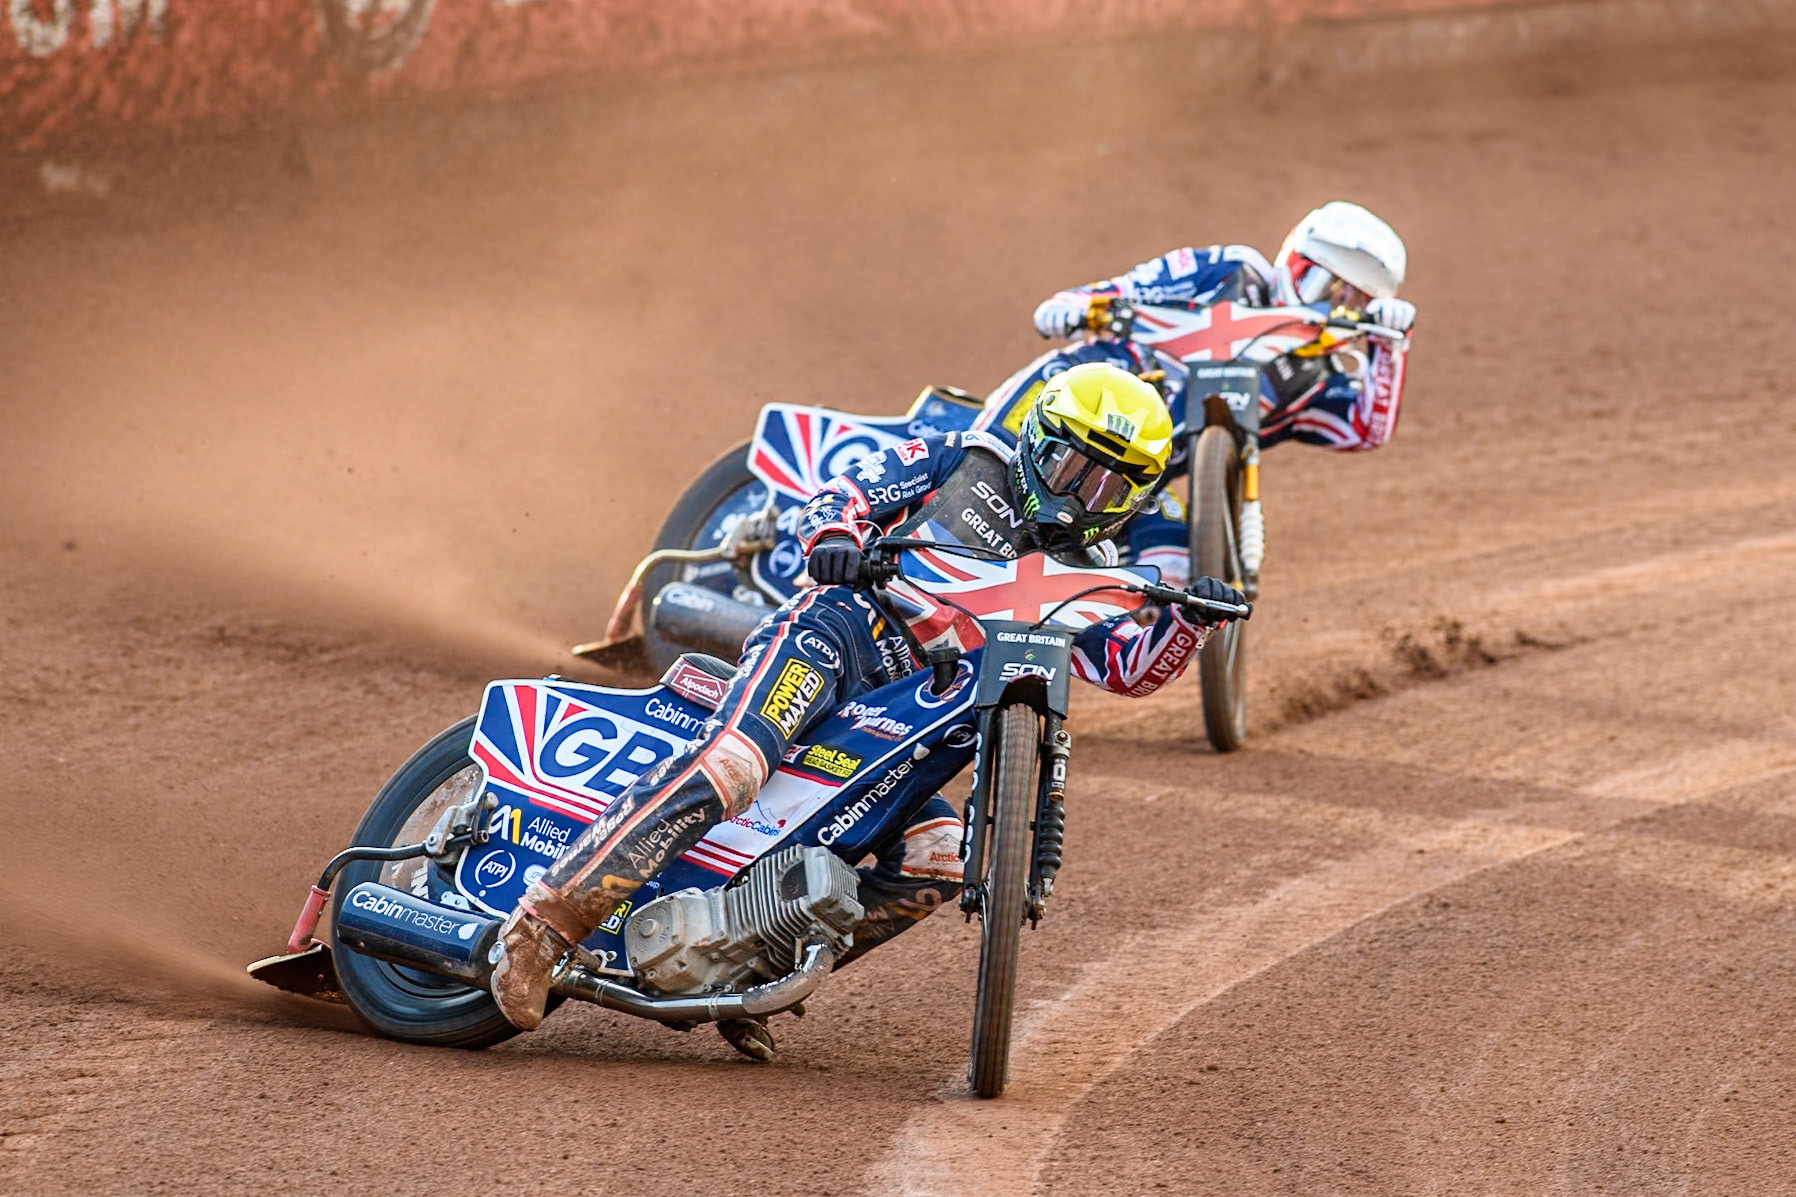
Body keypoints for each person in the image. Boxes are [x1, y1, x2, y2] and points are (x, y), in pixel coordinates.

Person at [487, 363, 1246, 1050]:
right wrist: (837, 538)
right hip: (838, 637)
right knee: (736, 763)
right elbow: (842, 494)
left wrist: (1190, 620)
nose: (1085, 495)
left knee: (940, 855)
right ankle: (545, 925)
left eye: (1112, 486)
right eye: (1073, 465)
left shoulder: (1095, 574)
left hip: (907, 715)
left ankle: (744, 970)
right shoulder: (965, 459)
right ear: (1038, 440)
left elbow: (1130, 669)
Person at [979, 201, 1418, 584]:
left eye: (1351, 304)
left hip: (1128, 491)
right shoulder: (1234, 269)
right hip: (1076, 401)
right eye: (1323, 287)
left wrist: (1392, 345)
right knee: (987, 460)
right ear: (1293, 261)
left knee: (1169, 569)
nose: (1329, 306)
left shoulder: (1314, 382)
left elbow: (1367, 429)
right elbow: (1135, 285)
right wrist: (1076, 304)